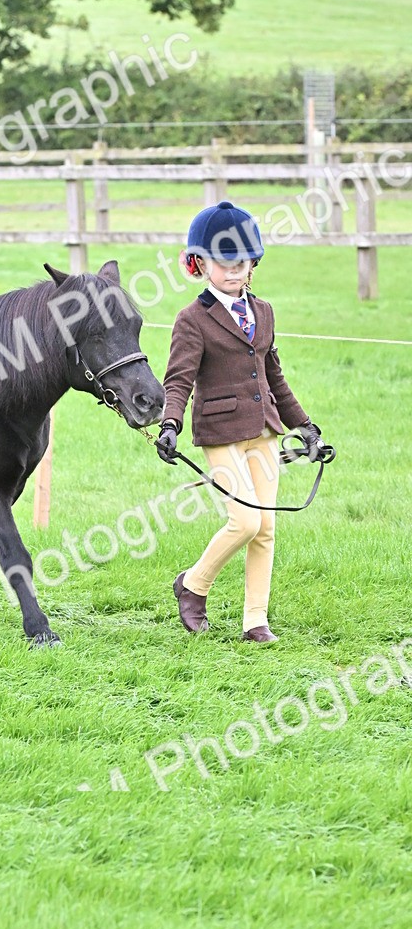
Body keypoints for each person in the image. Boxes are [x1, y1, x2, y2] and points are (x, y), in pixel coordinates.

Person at [156, 201, 329, 643]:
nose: (234, 272)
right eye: (223, 263)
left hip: (265, 431)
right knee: (245, 521)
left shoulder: (264, 311)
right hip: (220, 434)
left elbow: (274, 376)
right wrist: (170, 424)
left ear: (254, 263)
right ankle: (193, 585)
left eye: (242, 263)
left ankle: (255, 620)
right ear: (201, 264)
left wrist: (303, 424)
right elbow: (179, 379)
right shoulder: (191, 320)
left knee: (266, 528)